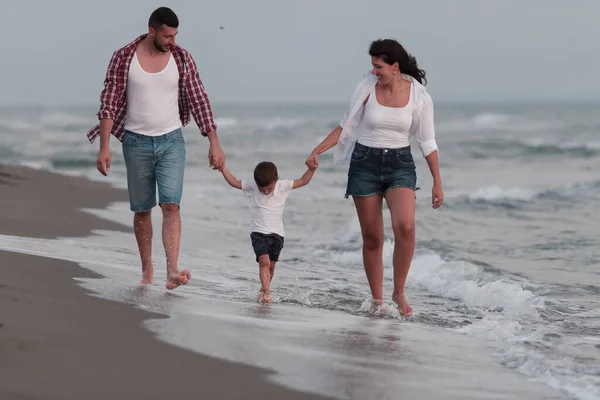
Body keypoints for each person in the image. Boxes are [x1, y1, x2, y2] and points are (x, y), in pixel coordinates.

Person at [86, 7, 225, 290]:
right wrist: (104, 148)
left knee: (171, 204)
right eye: (167, 35)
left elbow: (199, 98)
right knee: (142, 209)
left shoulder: (182, 58)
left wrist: (214, 141)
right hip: (135, 142)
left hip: (172, 141)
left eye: (175, 35)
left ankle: (172, 270)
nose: (172, 41)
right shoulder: (124, 57)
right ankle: (147, 268)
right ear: (152, 31)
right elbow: (109, 103)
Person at [305, 39, 444, 316]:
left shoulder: (419, 96)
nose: (374, 72)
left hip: (400, 164)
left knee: (406, 227)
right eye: (372, 66)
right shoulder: (366, 88)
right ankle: (378, 300)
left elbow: (427, 142)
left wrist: (437, 181)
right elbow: (347, 124)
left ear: (395, 66)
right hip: (364, 164)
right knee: (373, 238)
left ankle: (399, 291)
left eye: (378, 66)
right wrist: (318, 149)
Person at [220, 161, 317, 303]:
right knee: (263, 262)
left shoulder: (282, 186)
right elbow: (234, 182)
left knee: (271, 266)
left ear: (276, 180)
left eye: (269, 189)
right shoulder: (253, 187)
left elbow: (303, 181)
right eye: (262, 189)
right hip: (258, 232)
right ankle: (267, 292)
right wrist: (222, 168)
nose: (265, 192)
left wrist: (312, 169)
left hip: (277, 234)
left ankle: (263, 289)